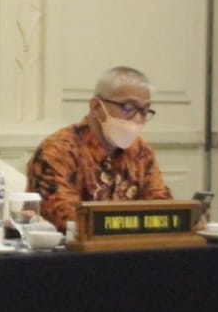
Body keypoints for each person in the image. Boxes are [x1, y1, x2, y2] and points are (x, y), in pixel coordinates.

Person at [26, 65, 172, 230]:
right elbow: (64, 217)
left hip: (130, 249)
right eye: (128, 108)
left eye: (144, 111)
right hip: (70, 252)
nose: (138, 119)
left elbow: (160, 204)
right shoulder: (58, 151)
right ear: (96, 107)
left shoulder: (140, 151)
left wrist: (188, 220)